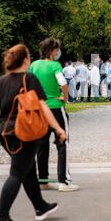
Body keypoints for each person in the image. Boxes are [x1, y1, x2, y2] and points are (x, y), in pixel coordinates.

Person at [0, 44, 66, 221]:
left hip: (5, 133)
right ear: (25, 60)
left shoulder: (2, 81)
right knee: (17, 173)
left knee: (27, 169)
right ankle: (0, 215)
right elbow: (43, 106)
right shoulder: (29, 79)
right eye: (29, 56)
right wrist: (58, 128)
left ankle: (40, 207)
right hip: (24, 132)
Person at [30, 38, 79, 192]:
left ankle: (43, 180)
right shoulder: (55, 65)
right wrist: (64, 98)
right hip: (56, 108)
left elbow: (28, 83)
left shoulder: (34, 65)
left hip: (40, 109)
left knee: (42, 145)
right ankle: (63, 181)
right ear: (52, 51)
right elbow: (63, 83)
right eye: (57, 50)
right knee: (62, 143)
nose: (58, 52)